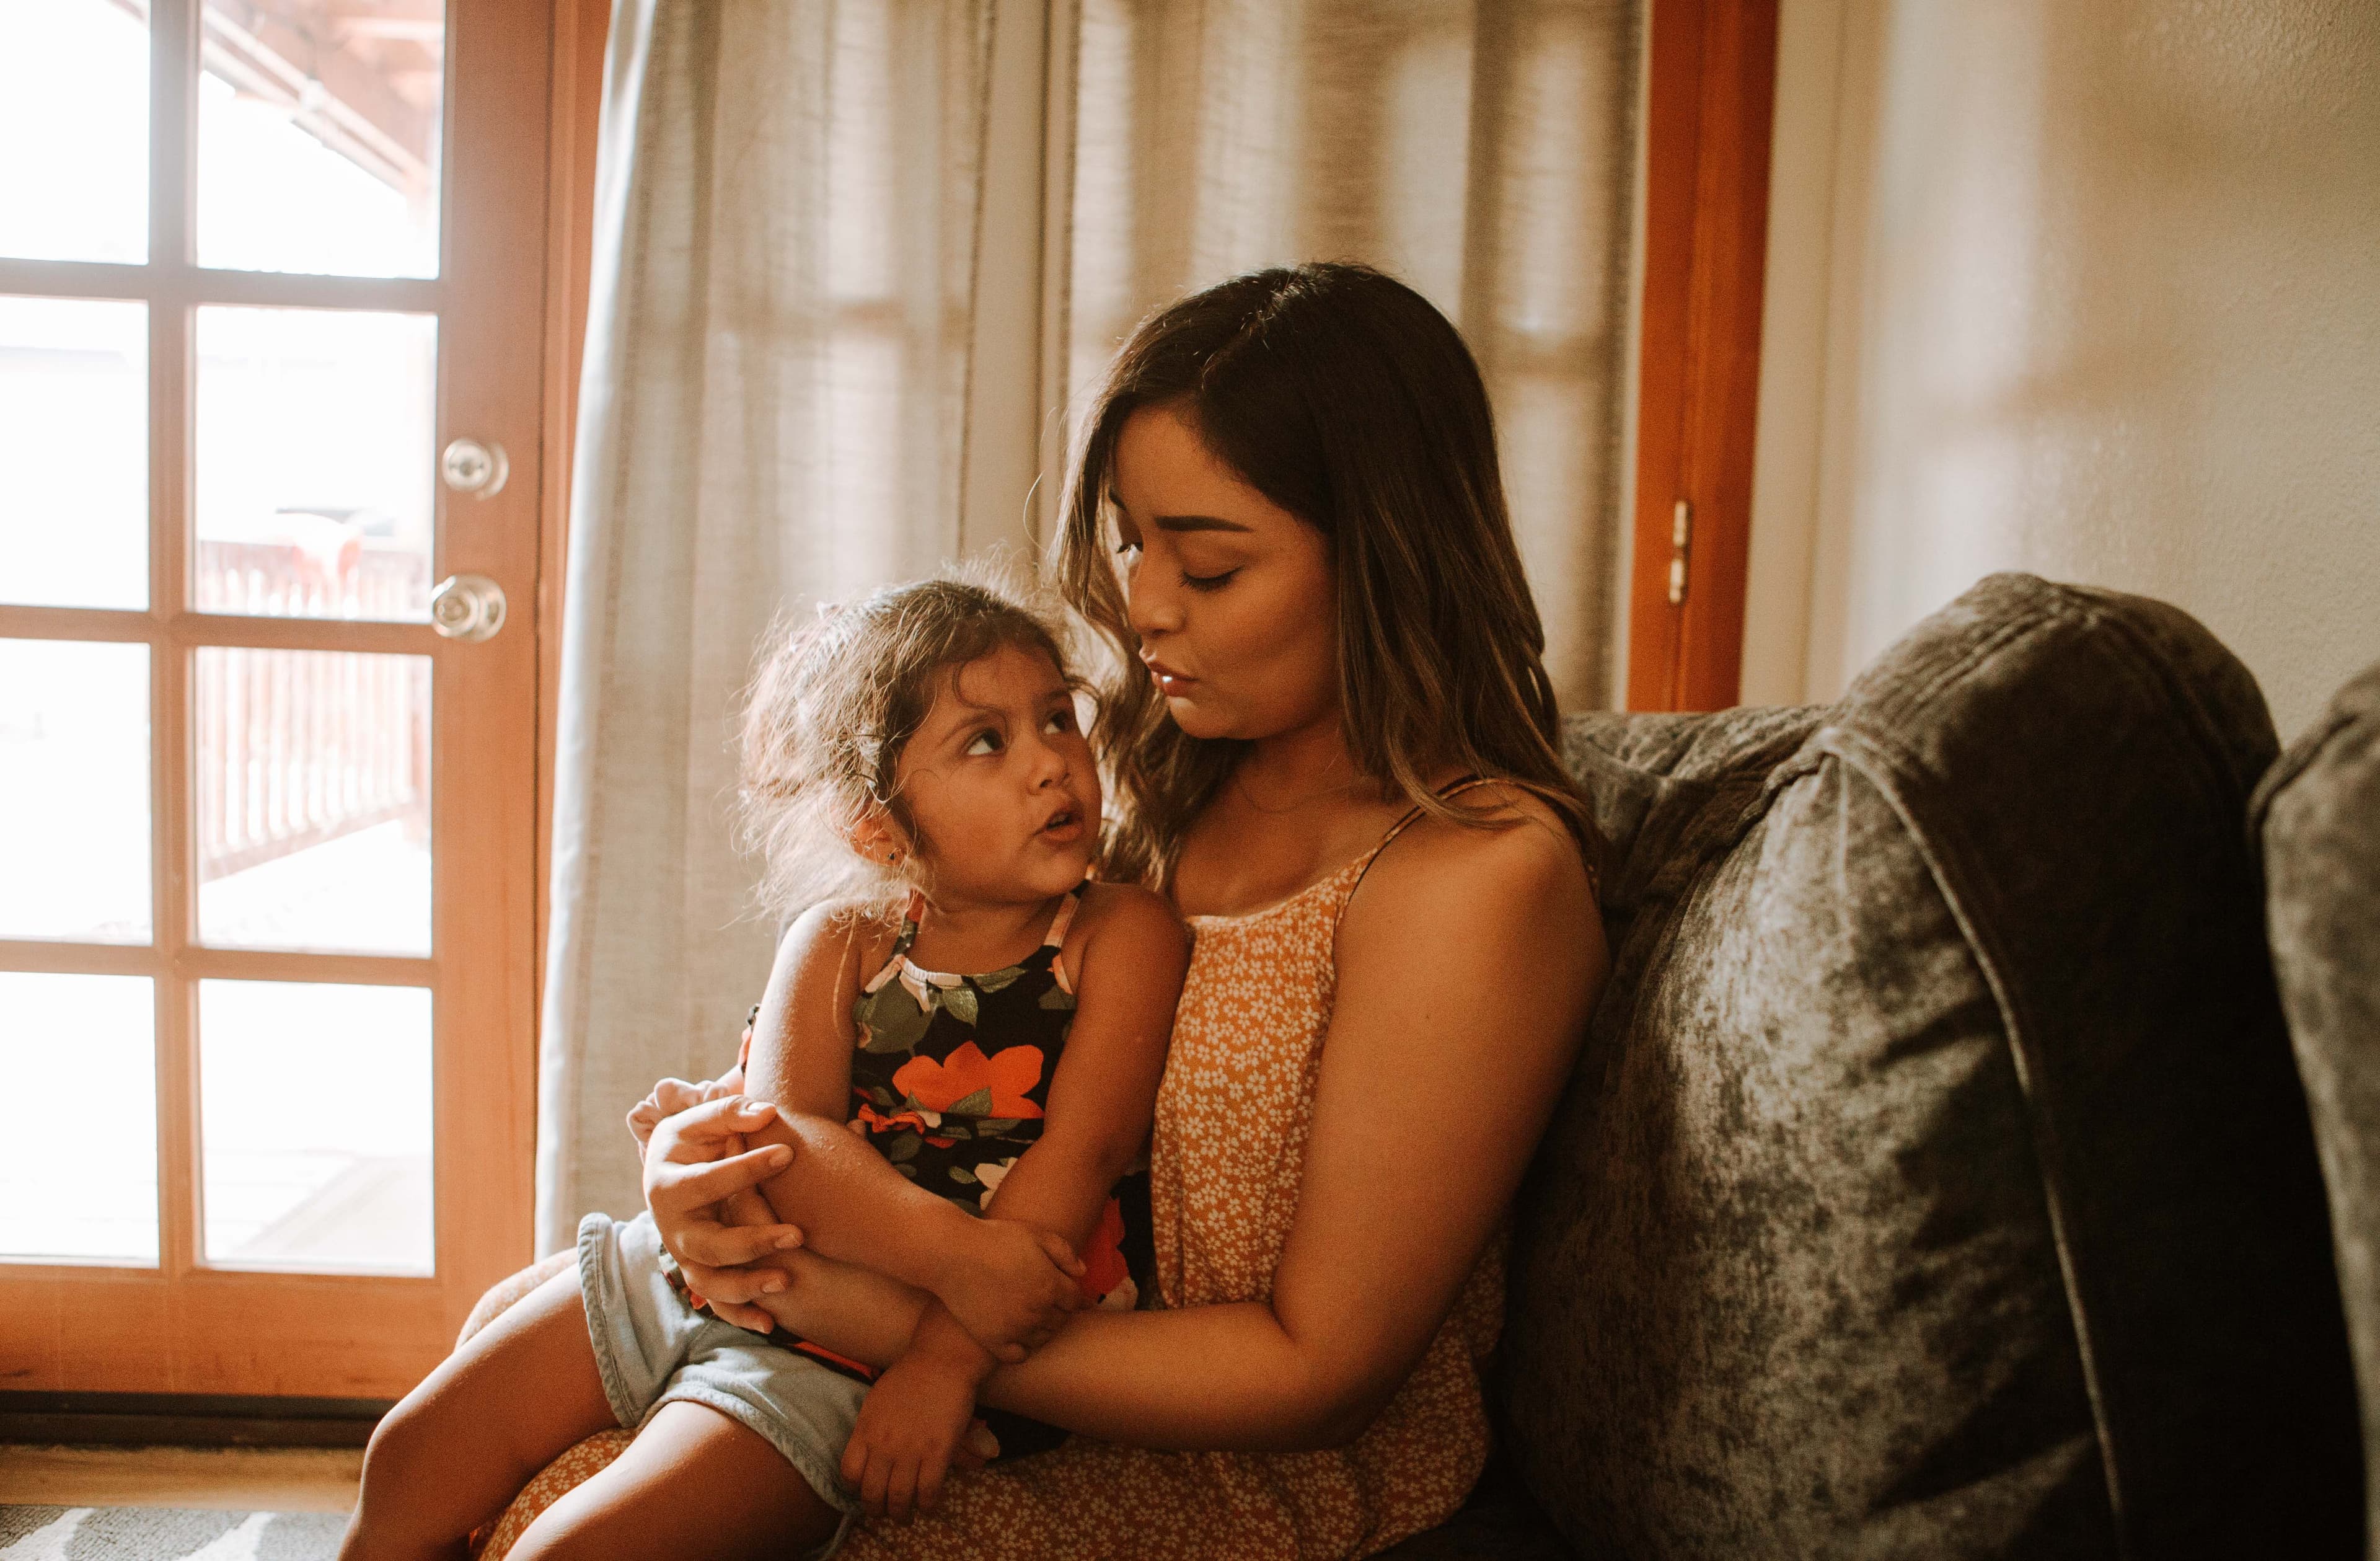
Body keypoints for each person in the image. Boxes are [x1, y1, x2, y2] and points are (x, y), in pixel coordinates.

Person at [632, 262, 1612, 1560]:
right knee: (507, 1453)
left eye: (1206, 566)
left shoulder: (1479, 877)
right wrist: (708, 1167)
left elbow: (1319, 1372)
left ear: (1381, 559)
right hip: (961, 1361)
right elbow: (917, 1067)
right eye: (1133, 540)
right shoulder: (1149, 792)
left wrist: (893, 1325)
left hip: (1238, 1473)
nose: (1142, 606)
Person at [341, 575, 1191, 1561]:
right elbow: (788, 1142)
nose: (1051, 763)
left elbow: (1081, 1159)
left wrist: (943, 1364)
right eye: (986, 741)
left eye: (1058, 719)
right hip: (692, 1272)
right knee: (407, 1460)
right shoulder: (841, 940)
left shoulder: (1121, 933)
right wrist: (958, 1257)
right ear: (879, 826)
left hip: (841, 1356)